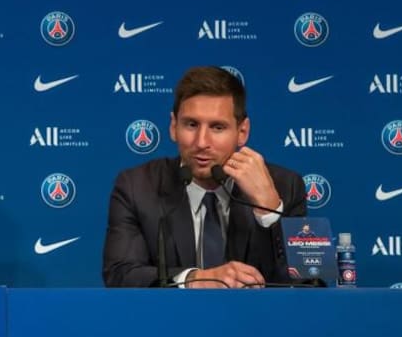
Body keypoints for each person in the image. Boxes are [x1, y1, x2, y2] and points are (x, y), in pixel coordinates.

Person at [103, 66, 306, 288]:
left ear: (242, 132)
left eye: (217, 127)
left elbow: (309, 282)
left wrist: (269, 211)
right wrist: (195, 279)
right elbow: (120, 274)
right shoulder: (137, 187)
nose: (201, 142)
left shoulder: (285, 186)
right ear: (173, 126)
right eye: (191, 124)